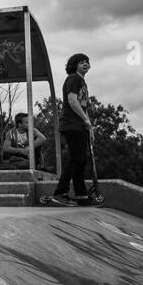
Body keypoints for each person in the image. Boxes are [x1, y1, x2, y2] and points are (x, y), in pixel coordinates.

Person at [49, 54, 93, 205]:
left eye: (87, 62)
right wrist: (85, 120)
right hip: (71, 124)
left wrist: (89, 126)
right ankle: (60, 193)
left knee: (81, 160)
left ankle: (81, 195)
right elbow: (72, 101)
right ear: (74, 65)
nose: (85, 64)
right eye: (81, 62)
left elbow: (83, 105)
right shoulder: (73, 79)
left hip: (80, 125)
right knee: (76, 159)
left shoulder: (82, 81)